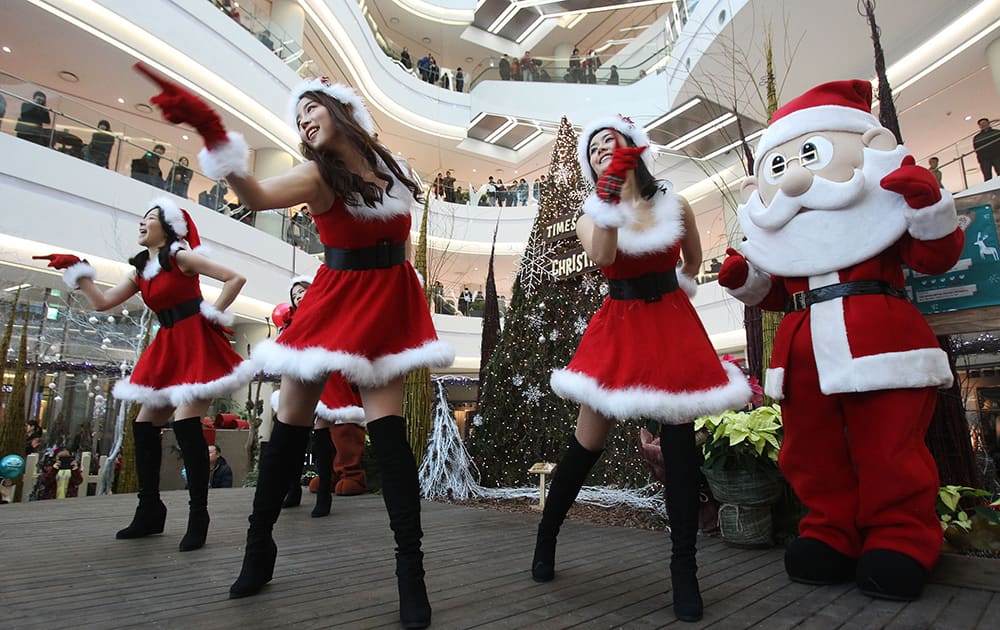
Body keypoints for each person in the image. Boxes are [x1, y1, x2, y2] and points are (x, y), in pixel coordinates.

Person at [138, 66, 453, 625]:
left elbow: (400, 246)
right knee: (290, 424)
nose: (304, 122)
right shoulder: (315, 176)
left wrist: (412, 304)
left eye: (312, 109)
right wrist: (217, 140)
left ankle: (412, 574)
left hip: (386, 303)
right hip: (332, 301)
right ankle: (258, 549)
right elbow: (255, 195)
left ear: (343, 111)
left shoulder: (395, 171)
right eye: (298, 118)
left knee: (392, 440)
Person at [719, 80, 964, 602]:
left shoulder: (883, 213)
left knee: (889, 447)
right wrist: (746, 281)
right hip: (805, 350)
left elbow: (933, 257)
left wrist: (927, 209)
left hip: (882, 344)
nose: (794, 180)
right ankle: (829, 532)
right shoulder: (787, 240)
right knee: (811, 451)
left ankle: (901, 538)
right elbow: (777, 294)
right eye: (778, 167)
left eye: (810, 154)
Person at [534, 115, 751, 623]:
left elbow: (694, 262)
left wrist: (673, 286)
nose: (602, 150)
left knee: (679, 451)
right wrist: (609, 199)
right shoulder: (592, 214)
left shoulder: (675, 204)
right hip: (619, 328)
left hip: (671, 326)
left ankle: (684, 571)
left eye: (611, 141)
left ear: (633, 148)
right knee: (586, 444)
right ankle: (547, 537)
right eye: (593, 150)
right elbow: (605, 254)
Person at [34, 196, 252, 552]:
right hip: (166, 346)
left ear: (168, 228)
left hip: (195, 343)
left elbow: (235, 278)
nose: (142, 222)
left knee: (185, 424)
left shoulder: (180, 257)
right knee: (143, 424)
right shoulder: (140, 270)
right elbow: (103, 303)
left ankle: (199, 515)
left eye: (149, 217)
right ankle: (150, 509)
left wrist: (213, 313)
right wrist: (78, 270)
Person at [272, 275, 368, 516]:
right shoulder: (291, 322)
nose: (298, 297)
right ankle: (293, 488)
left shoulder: (330, 310)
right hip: (299, 375)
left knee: (322, 430)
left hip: (329, 378)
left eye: (302, 291)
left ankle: (324, 491)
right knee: (293, 432)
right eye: (294, 296)